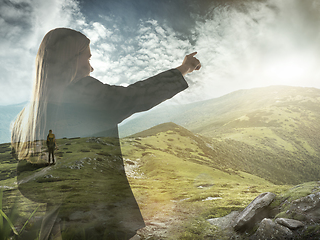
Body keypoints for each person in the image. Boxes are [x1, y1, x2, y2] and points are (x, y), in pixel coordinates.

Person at [11, 28, 201, 240]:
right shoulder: (81, 94)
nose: (91, 68)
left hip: (55, 225)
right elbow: (134, 96)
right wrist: (182, 69)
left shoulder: (26, 117)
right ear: (71, 59)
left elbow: (26, 184)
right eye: (87, 57)